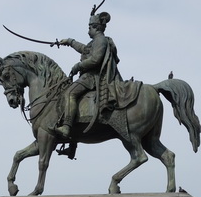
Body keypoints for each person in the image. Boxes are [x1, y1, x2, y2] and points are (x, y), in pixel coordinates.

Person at [53, 9, 138, 138]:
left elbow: (95, 60)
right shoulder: (95, 42)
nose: (88, 31)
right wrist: (69, 42)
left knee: (69, 93)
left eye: (89, 28)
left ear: (96, 28)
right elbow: (84, 49)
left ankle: (66, 126)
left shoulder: (101, 40)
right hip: (89, 76)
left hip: (93, 77)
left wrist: (78, 65)